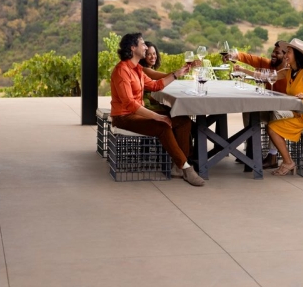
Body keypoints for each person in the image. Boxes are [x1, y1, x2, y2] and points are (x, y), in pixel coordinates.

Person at [110, 33, 205, 186]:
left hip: (137, 113)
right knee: (163, 125)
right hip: (124, 117)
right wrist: (156, 116)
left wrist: (177, 74)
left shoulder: (137, 69)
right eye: (143, 44)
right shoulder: (122, 71)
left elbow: (155, 85)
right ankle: (186, 168)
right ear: (133, 48)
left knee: (183, 120)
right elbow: (129, 104)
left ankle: (177, 166)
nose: (146, 47)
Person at [227, 40, 290, 168]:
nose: (273, 55)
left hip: (288, 111)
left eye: (277, 53)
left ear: (285, 55)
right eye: (272, 52)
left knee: (275, 112)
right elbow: (250, 58)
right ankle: (251, 152)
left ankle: (272, 156)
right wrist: (235, 56)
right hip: (271, 107)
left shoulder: (289, 71)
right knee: (248, 110)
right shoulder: (267, 65)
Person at [267, 38, 303, 176]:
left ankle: (288, 162)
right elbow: (266, 77)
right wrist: (242, 70)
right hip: (298, 114)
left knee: (272, 128)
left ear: (297, 56)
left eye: (288, 52)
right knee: (272, 125)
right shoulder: (289, 71)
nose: (285, 55)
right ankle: (287, 161)